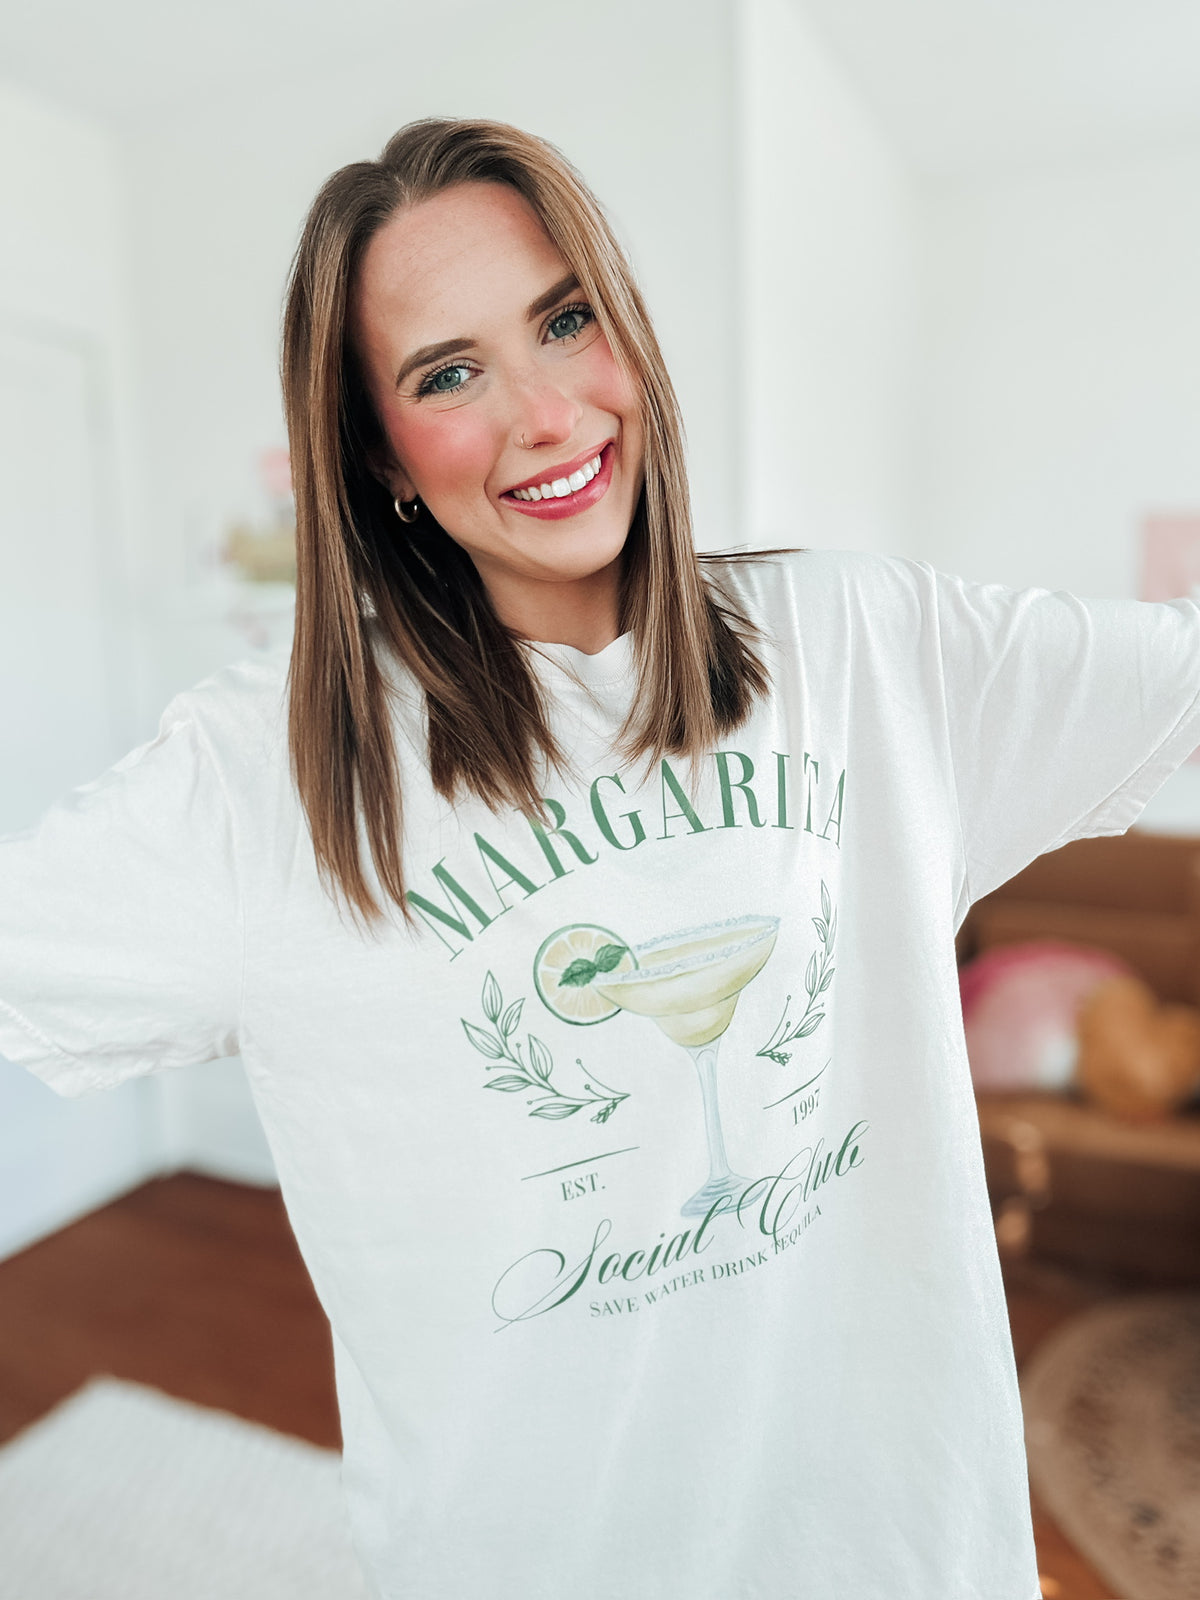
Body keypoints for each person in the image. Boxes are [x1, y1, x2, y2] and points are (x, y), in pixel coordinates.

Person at [2, 116, 1199, 1600]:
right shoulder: (273, 775)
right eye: (448, 374)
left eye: (566, 320)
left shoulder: (861, 647)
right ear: (377, 452)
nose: (548, 413)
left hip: (899, 1548)